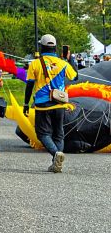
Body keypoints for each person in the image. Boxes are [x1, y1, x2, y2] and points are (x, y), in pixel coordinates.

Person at [23, 34, 78, 173]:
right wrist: (69, 58)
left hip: (42, 104)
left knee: (42, 134)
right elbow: (75, 76)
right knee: (59, 134)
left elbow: (29, 85)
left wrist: (25, 104)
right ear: (55, 48)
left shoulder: (35, 63)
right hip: (60, 104)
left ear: (41, 47)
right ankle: (57, 163)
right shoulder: (63, 63)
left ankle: (56, 155)